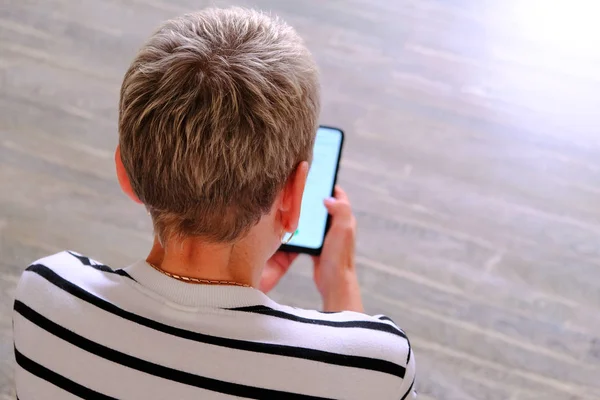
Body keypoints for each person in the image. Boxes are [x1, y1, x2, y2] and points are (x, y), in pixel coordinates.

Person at [12, 7, 415, 400]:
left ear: (125, 172)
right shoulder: (375, 365)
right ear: (294, 198)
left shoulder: (46, 296)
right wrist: (340, 281)